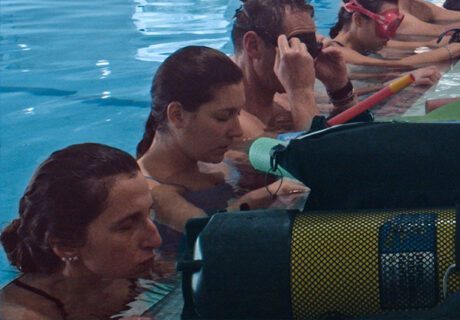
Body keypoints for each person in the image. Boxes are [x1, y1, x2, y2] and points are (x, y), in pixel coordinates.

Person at [135, 46, 306, 254]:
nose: (237, 130)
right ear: (177, 115)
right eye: (222, 117)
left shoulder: (215, 156)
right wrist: (263, 195)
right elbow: (209, 235)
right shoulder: (152, 191)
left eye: (238, 113)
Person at [0, 143, 163, 319]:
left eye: (149, 213)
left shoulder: (134, 270)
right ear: (66, 245)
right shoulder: (21, 314)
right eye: (126, 227)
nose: (155, 240)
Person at [232, 0, 353, 137]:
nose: (306, 58)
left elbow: (356, 138)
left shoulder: (284, 101)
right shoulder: (232, 125)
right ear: (253, 45)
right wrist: (300, 92)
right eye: (296, 46)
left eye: (311, 47)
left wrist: (339, 89)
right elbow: (318, 158)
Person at [329, 0, 460, 70]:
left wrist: (459, 38)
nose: (390, 35)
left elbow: (425, 44)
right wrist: (457, 49)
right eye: (387, 26)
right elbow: (398, 65)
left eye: (395, 25)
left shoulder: (368, 45)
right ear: (359, 20)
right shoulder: (335, 53)